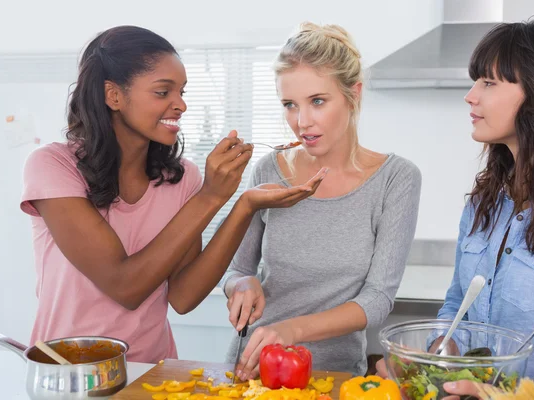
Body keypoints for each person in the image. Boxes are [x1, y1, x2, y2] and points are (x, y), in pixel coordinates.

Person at [20, 25, 325, 363]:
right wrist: (210, 197)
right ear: (114, 95)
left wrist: (244, 205)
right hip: (68, 374)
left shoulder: (181, 177)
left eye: (181, 92)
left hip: (153, 373)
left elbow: (183, 296)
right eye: (163, 92)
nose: (180, 104)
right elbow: (125, 286)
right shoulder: (53, 166)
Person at [376, 19, 534, 397]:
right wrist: (440, 350)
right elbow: (457, 302)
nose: (470, 96)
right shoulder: (483, 204)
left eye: (488, 83)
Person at [220, 22, 422, 379]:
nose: (302, 122)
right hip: (253, 368)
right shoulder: (268, 169)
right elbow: (239, 270)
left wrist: (290, 330)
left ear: (353, 95)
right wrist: (242, 285)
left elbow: (377, 300)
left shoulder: (396, 179)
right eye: (289, 105)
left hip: (334, 374)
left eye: (317, 101)